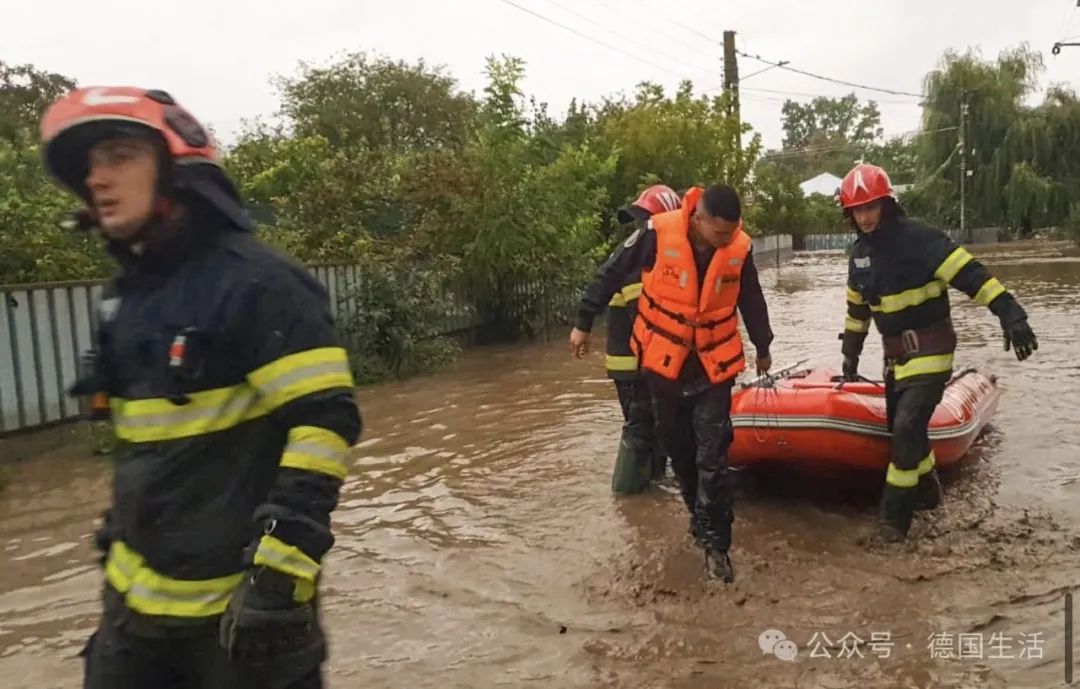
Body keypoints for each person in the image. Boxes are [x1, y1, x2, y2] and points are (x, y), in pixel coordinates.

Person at [41, 86, 362, 688]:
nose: (98, 179)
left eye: (118, 156)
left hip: (241, 627)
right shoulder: (126, 297)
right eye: (89, 165)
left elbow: (325, 422)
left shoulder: (259, 284)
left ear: (176, 167)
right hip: (133, 626)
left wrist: (280, 576)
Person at [571, 184, 774, 583]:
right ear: (698, 219)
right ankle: (699, 521)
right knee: (679, 453)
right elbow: (610, 273)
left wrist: (763, 345)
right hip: (664, 366)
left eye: (731, 233)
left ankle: (718, 547)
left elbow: (751, 297)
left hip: (713, 368)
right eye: (719, 234)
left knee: (713, 456)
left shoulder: (739, 248)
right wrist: (583, 323)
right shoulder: (654, 235)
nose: (725, 241)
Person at [837, 163, 1037, 544]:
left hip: (932, 350)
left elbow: (971, 276)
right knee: (902, 432)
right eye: (857, 210)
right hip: (895, 359)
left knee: (909, 425)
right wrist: (850, 357)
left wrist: (1010, 313)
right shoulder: (859, 255)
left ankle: (892, 525)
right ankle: (928, 493)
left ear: (887, 204)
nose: (864, 217)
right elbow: (857, 311)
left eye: (871, 207)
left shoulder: (921, 240)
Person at [600, 184, 681, 494]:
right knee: (640, 424)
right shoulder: (639, 258)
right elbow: (645, 317)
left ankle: (653, 482)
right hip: (634, 361)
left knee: (653, 424)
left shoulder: (634, 252)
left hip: (635, 359)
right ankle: (627, 494)